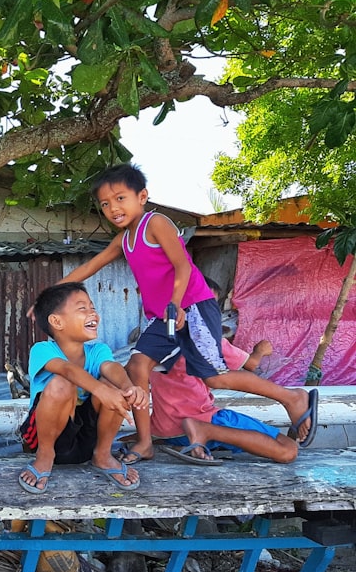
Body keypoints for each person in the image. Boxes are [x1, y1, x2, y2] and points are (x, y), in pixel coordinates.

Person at [52, 163, 318, 462]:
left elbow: (182, 264)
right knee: (138, 367)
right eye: (105, 204)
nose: (113, 207)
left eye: (120, 198)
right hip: (162, 317)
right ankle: (145, 442)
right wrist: (48, 298)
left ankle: (291, 396)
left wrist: (176, 304)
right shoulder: (124, 240)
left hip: (191, 307)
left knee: (214, 378)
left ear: (142, 196)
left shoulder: (156, 223)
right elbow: (90, 267)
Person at [18, 282, 147, 493]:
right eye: (82, 308)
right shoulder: (42, 349)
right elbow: (67, 370)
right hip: (49, 438)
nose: (92, 313)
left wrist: (129, 388)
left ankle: (103, 455)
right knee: (62, 383)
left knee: (114, 385)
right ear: (57, 321)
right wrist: (100, 390)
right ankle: (44, 456)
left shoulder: (98, 350)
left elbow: (111, 367)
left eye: (92, 307)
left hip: (88, 438)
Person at [150, 338, 298, 463]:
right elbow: (251, 364)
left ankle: (201, 437)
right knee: (288, 449)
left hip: (167, 432)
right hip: (204, 419)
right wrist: (260, 351)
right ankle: (206, 431)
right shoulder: (205, 338)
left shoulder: (152, 341)